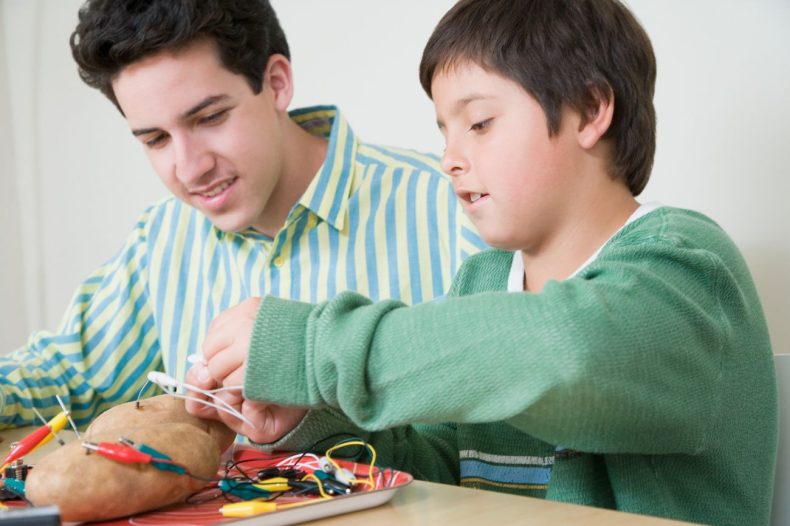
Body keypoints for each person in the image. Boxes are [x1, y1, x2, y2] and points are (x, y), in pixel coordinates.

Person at [185, 0, 778, 524]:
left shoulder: (685, 265)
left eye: (480, 124)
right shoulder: (483, 279)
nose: (451, 158)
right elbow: (444, 474)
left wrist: (314, 349)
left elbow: (566, 355)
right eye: (444, 132)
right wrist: (313, 425)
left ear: (592, 108)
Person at [0, 0, 484, 428]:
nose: (190, 168)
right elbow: (63, 376)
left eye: (209, 118)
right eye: (155, 139)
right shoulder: (163, 237)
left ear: (276, 83)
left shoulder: (452, 206)